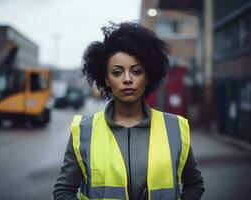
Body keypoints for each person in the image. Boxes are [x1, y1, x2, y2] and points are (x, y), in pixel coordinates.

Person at [53, 22, 205, 200]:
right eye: (117, 72)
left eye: (136, 71)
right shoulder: (84, 131)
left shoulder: (175, 128)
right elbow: (63, 191)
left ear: (147, 77)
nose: (127, 79)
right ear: (106, 79)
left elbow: (194, 184)